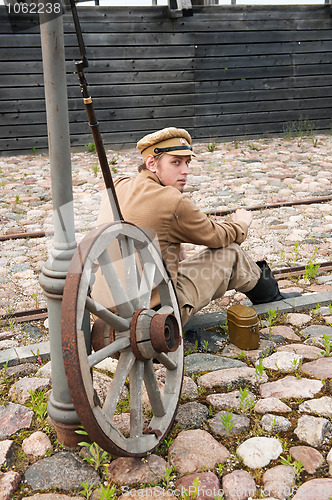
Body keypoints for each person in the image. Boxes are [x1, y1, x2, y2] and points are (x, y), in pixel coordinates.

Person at [93, 127, 299, 326]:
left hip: (109, 310)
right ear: (152, 163)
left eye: (187, 162)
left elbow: (148, 224)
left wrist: (177, 245)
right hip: (155, 315)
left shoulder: (118, 186)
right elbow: (216, 236)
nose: (185, 171)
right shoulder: (171, 200)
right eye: (176, 162)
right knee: (232, 253)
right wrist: (240, 224)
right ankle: (270, 296)